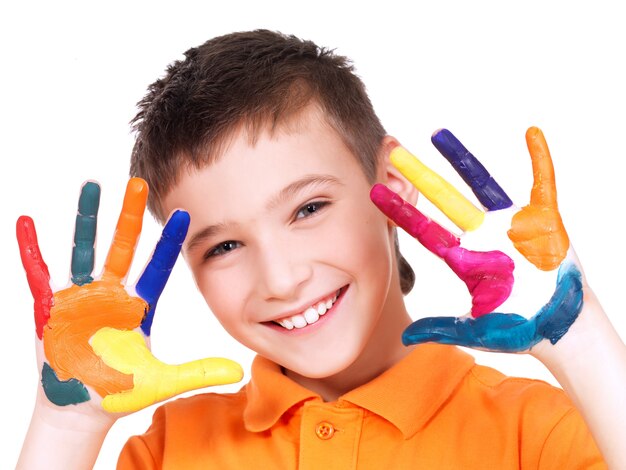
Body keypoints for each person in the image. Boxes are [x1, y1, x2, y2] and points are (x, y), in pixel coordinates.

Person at [16, 29, 626, 469]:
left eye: (308, 209)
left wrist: (581, 338)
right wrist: (66, 425)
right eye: (225, 245)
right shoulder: (173, 449)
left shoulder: (535, 432)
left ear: (391, 187)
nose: (280, 278)